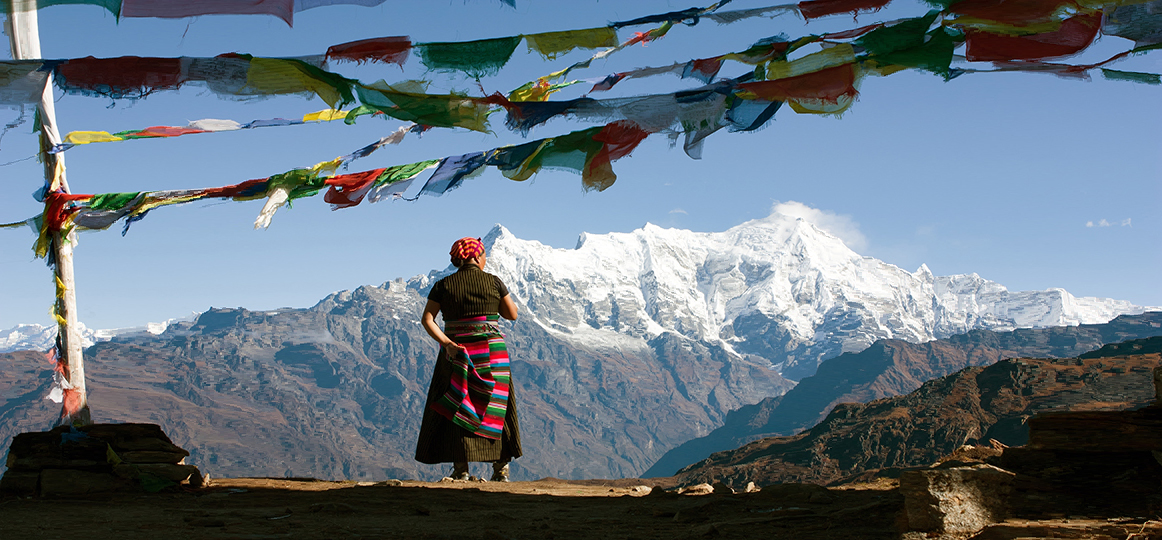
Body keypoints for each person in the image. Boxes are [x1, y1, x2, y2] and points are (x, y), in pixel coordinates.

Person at [416, 237, 522, 481]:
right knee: (497, 406)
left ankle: (461, 469)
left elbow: (427, 320)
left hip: (457, 352)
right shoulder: (494, 282)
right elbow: (512, 314)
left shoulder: (443, 285)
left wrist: (447, 344)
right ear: (478, 256)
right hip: (492, 354)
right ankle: (501, 469)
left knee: (458, 402)